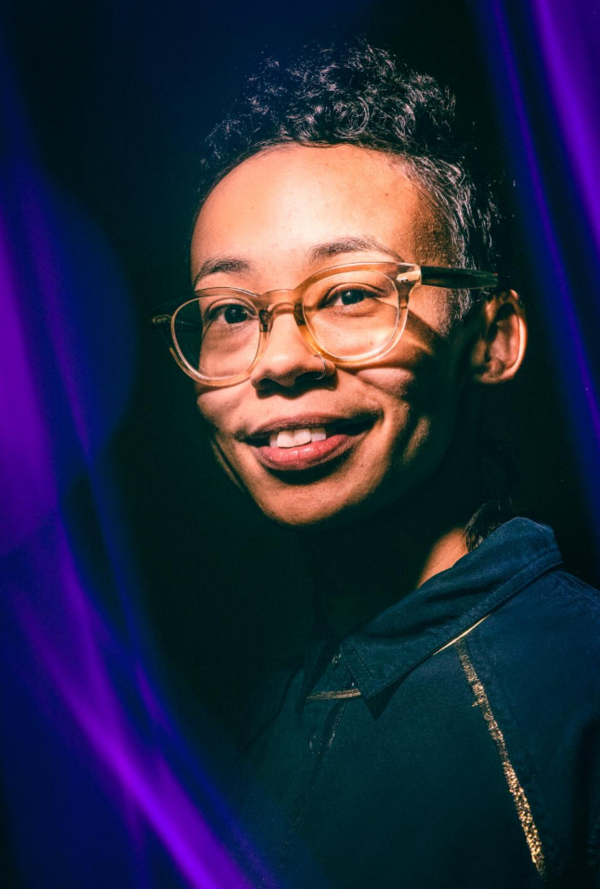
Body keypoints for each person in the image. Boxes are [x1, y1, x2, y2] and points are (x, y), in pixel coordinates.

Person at [153, 40, 600, 889]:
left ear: (494, 338)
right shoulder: (253, 720)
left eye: (351, 293)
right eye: (231, 310)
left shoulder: (576, 697)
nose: (279, 360)